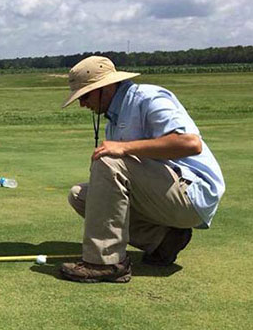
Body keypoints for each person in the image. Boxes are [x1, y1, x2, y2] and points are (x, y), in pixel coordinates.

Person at [58, 56, 225, 283]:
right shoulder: (114, 119)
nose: (82, 104)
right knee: (80, 196)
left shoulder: (148, 98)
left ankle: (105, 263)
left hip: (193, 193)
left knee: (108, 159)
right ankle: (162, 240)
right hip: (164, 195)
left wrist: (123, 148)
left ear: (105, 88)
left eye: (85, 95)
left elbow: (190, 144)